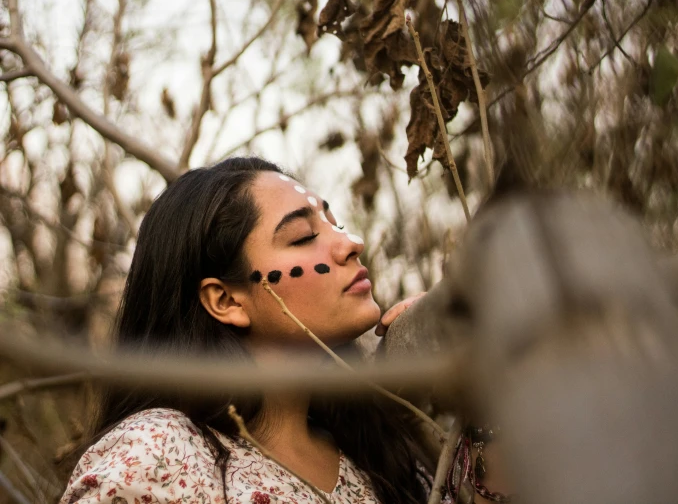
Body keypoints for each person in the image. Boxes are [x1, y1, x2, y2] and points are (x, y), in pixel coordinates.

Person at [60, 157, 430, 504]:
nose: (352, 243)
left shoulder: (379, 452)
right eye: (302, 236)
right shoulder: (161, 454)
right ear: (225, 300)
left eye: (336, 224)